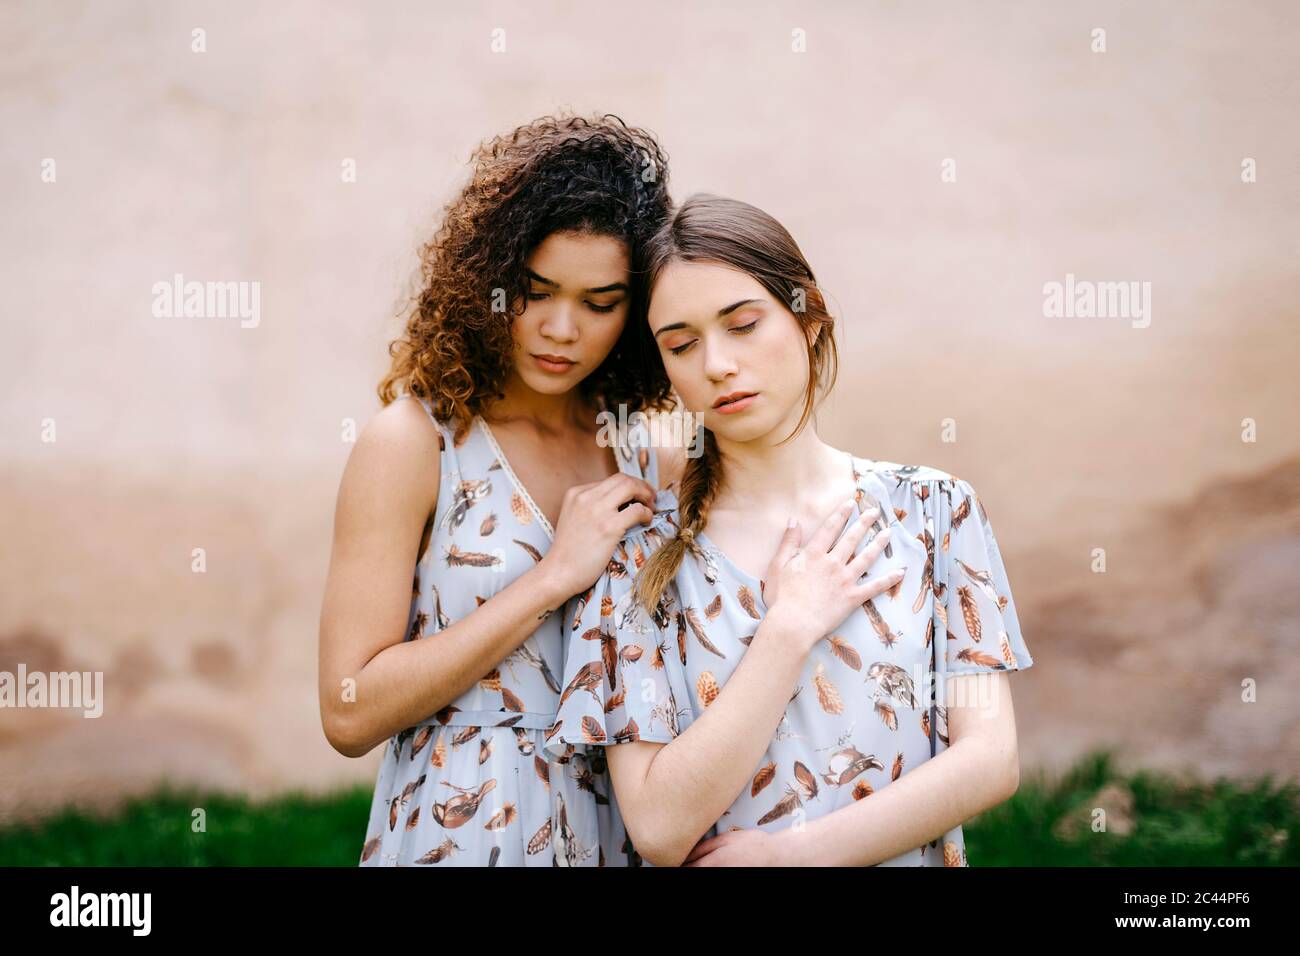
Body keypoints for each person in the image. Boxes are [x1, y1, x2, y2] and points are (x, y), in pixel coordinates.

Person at [546, 193, 1034, 866]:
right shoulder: (636, 554)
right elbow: (658, 827)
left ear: (808, 317)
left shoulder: (935, 512)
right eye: (681, 345)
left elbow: (990, 757)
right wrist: (786, 631)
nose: (716, 364)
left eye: (743, 325)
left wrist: (792, 858)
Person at [318, 114, 682, 866]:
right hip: (465, 833)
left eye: (599, 302)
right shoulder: (418, 444)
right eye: (534, 289)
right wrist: (551, 579)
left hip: (623, 829)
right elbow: (348, 713)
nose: (560, 328)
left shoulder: (648, 458)